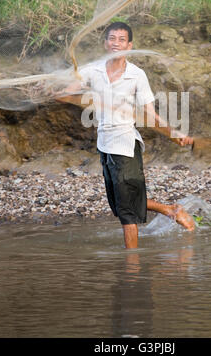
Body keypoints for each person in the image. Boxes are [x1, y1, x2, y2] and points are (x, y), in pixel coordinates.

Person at [56, 22, 195, 248]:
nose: (116, 43)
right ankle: (171, 210)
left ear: (129, 45)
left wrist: (173, 132)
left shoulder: (136, 75)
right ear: (105, 42)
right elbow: (68, 92)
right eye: (112, 38)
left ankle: (132, 267)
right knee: (119, 204)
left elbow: (151, 114)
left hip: (126, 146)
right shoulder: (93, 70)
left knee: (127, 212)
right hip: (105, 145)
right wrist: (54, 92)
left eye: (121, 40)